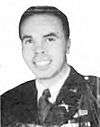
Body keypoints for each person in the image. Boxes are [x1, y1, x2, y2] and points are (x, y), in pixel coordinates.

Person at [1, 6, 100, 127]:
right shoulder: (7, 102)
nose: (39, 50)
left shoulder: (96, 93)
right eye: (29, 41)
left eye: (49, 39)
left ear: (67, 45)